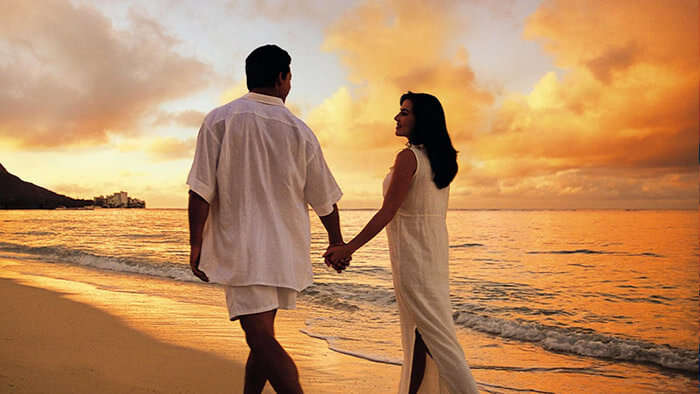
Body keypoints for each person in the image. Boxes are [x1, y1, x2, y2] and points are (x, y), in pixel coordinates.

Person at [187, 44, 348, 394]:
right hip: (286, 249)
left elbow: (200, 188)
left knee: (259, 337)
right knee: (262, 336)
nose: (290, 84)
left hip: (243, 248)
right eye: (290, 77)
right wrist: (336, 241)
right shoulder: (300, 130)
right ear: (281, 78)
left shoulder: (220, 119)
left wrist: (196, 242)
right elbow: (324, 197)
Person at [324, 92, 479, 393]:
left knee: (437, 340)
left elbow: (388, 210)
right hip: (432, 256)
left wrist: (348, 248)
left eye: (405, 112)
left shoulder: (408, 157)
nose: (397, 117)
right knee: (422, 336)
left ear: (422, 120)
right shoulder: (439, 160)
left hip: (414, 260)